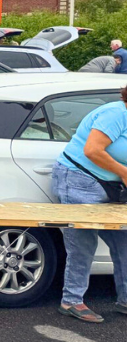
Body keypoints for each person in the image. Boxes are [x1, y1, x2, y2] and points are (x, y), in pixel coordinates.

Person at [50, 86, 127, 322]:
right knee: (82, 243)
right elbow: (92, 150)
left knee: (124, 241)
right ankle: (71, 301)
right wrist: (124, 172)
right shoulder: (116, 114)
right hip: (79, 179)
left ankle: (125, 300)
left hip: (109, 186)